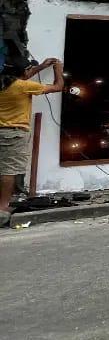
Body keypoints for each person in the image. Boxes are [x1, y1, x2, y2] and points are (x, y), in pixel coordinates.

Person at [0, 57, 64, 228]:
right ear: (22, 73)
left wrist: (41, 66)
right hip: (12, 133)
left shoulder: (6, 83)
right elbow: (58, 87)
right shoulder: (23, 87)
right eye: (27, 70)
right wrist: (58, 69)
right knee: (8, 171)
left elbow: (22, 77)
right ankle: (2, 208)